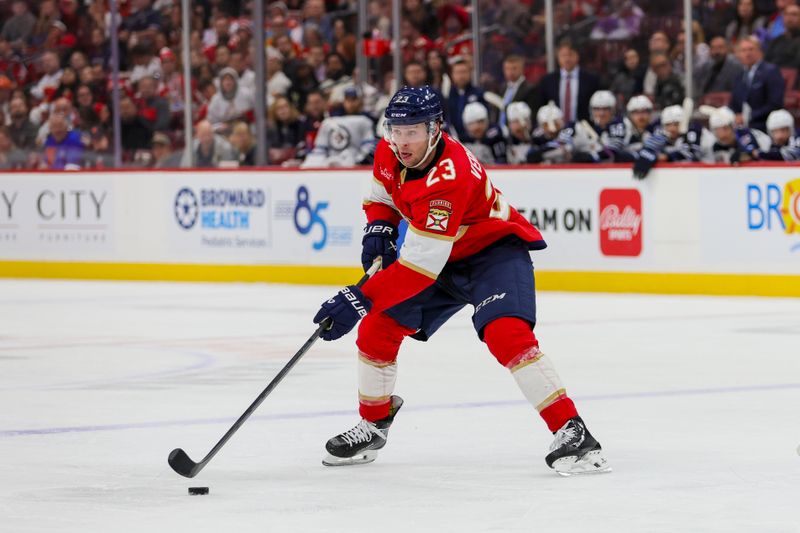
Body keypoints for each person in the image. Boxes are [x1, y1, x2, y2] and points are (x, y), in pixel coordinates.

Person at [312, 86, 610, 476]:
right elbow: (382, 196)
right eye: (396, 130)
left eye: (413, 131)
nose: (402, 141)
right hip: (444, 256)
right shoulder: (389, 150)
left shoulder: (448, 177)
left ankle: (574, 432)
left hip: (492, 254)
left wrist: (358, 297)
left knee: (506, 334)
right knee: (376, 328)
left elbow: (419, 269)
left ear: (435, 129)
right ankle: (373, 425)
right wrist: (379, 228)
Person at [632, 105, 706, 179]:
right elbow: (646, 149)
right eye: (668, 125)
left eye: (676, 124)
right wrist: (647, 155)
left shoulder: (694, 130)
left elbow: (691, 154)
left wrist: (667, 157)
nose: (672, 128)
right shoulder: (662, 134)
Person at [730, 36, 785, 132]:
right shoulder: (739, 75)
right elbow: (734, 103)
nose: (748, 53)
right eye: (743, 50)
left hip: (764, 126)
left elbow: (775, 104)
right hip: (741, 128)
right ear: (738, 54)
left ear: (759, 51)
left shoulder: (770, 71)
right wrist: (735, 115)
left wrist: (750, 116)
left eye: (751, 49)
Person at [538, 40, 601, 124]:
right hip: (555, 129)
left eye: (570, 54)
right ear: (558, 57)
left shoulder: (591, 79)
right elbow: (542, 106)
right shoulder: (548, 81)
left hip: (584, 129)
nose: (567, 59)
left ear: (577, 56)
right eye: (563, 55)